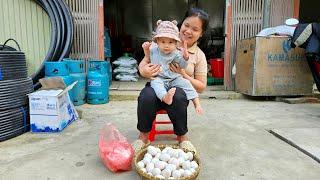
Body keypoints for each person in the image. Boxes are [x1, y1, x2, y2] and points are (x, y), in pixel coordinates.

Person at [132, 7, 209, 154]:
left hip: (176, 86)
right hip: (157, 84)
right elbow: (145, 61)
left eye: (195, 29)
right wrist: (144, 70)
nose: (188, 31)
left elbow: (201, 87)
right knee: (146, 96)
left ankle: (183, 138)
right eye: (186, 25)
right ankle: (143, 137)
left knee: (179, 97)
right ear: (181, 24)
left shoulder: (199, 55)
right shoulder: (162, 39)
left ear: (201, 33)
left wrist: (184, 75)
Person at [142, 19, 203, 114]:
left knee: (186, 83)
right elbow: (148, 57)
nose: (166, 45)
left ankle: (196, 103)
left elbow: (182, 65)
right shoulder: (154, 49)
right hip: (159, 77)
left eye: (170, 42)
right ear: (157, 41)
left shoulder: (176, 53)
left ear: (176, 43)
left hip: (174, 78)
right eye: (163, 42)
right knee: (156, 85)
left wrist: (185, 58)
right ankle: (165, 97)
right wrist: (146, 49)